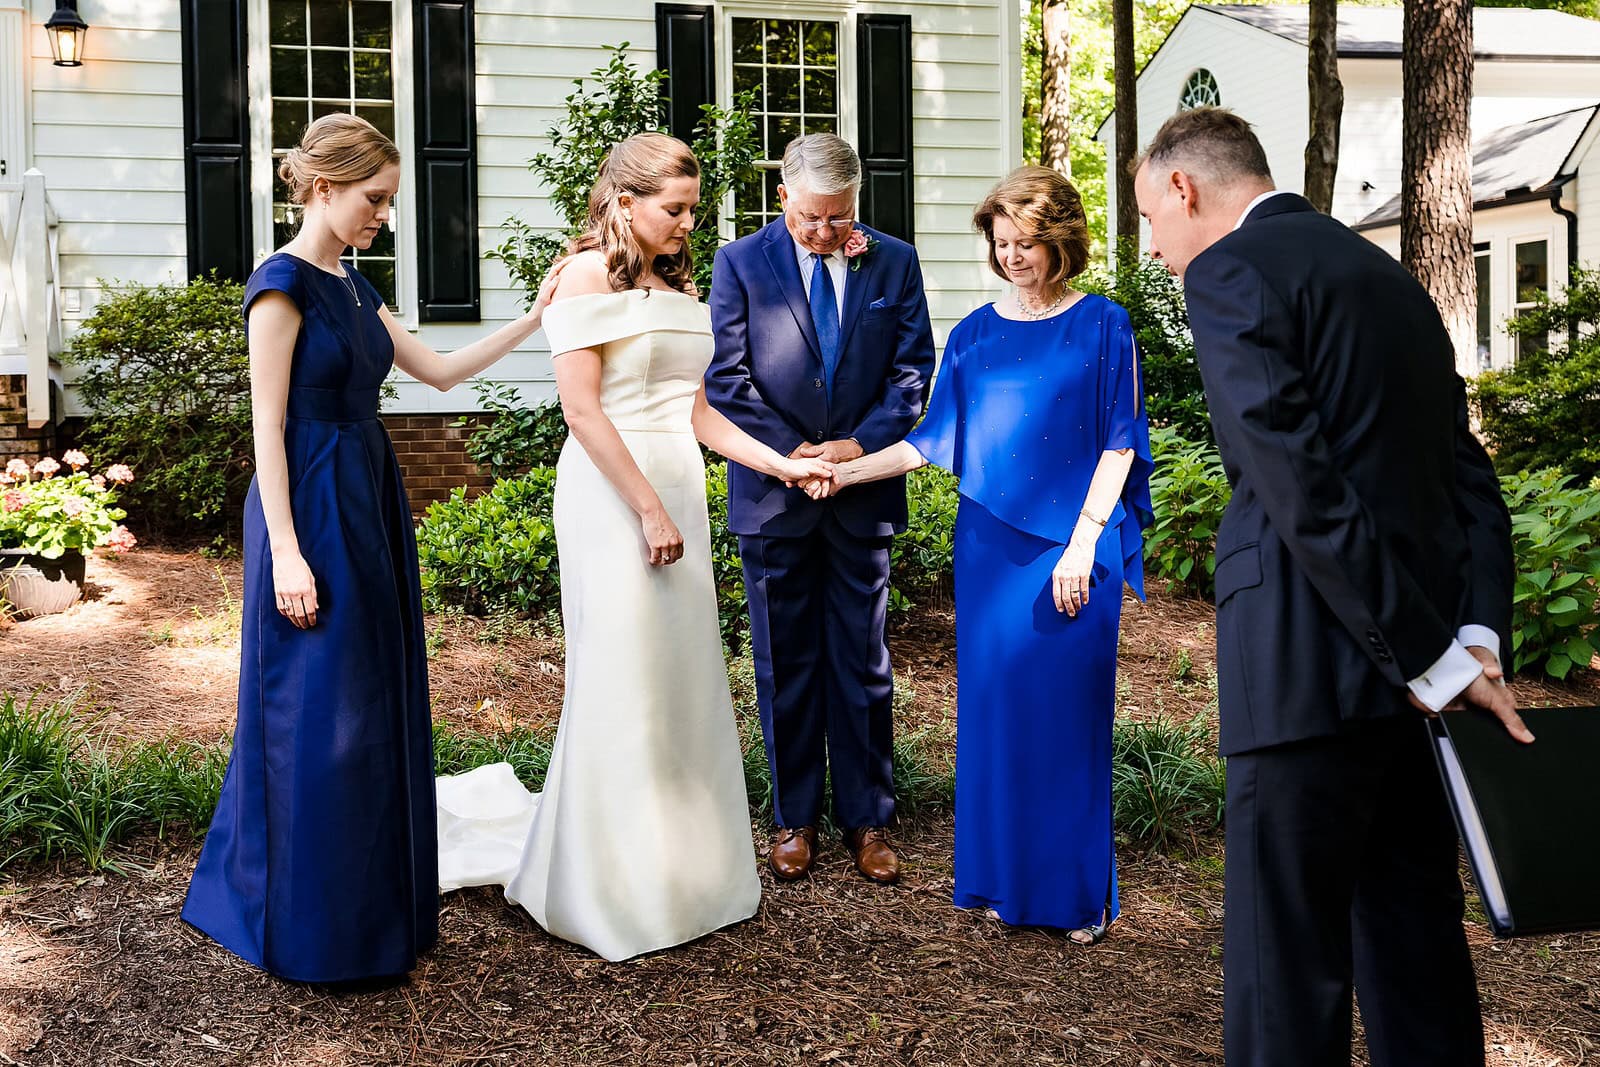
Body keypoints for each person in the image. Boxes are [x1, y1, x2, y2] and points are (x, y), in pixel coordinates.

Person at [1131, 107, 1528, 1065]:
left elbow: (1296, 487)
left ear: (1184, 188)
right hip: (1421, 683)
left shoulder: (1231, 271)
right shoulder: (1389, 277)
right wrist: (1469, 639)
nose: (1157, 245)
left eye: (1150, 218)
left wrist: (1432, 655)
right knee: (1414, 944)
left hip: (1303, 676)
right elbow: (1468, 476)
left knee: (1286, 968)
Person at [182, 113, 567, 983]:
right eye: (375, 199)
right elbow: (268, 427)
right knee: (318, 706)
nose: (383, 216)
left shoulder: (354, 285)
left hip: (368, 496)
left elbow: (436, 371)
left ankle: (373, 906)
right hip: (308, 503)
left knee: (373, 702)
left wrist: (533, 320)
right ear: (323, 187)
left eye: (387, 202)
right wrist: (284, 549)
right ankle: (311, 921)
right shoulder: (279, 287)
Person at [433, 133, 833, 962]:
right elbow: (583, 410)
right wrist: (648, 510)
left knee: (679, 678)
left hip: (678, 479)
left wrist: (778, 463)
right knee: (625, 677)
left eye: (693, 208)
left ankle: (686, 875)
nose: (691, 223)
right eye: (675, 209)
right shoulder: (582, 276)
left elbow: (696, 411)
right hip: (613, 495)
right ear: (626, 202)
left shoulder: (677, 281)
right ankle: (610, 887)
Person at [805, 166, 1152, 942]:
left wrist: (1085, 540)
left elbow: (1121, 442)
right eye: (1002, 244)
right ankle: (1002, 881)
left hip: (1073, 549)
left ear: (1060, 242)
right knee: (996, 718)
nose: (1014, 257)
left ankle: (1072, 899)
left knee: (1067, 721)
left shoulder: (1105, 325)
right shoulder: (973, 336)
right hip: (990, 555)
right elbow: (930, 444)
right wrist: (840, 469)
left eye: (1027, 242)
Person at [705, 134, 936, 884]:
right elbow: (728, 380)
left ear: (856, 204)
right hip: (773, 497)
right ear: (783, 197)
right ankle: (793, 816)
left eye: (838, 219)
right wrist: (795, 458)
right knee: (785, 662)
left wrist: (853, 449)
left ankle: (868, 818)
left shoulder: (893, 261)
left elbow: (911, 374)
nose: (824, 233)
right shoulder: (739, 264)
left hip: (863, 493)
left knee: (864, 662)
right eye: (810, 217)